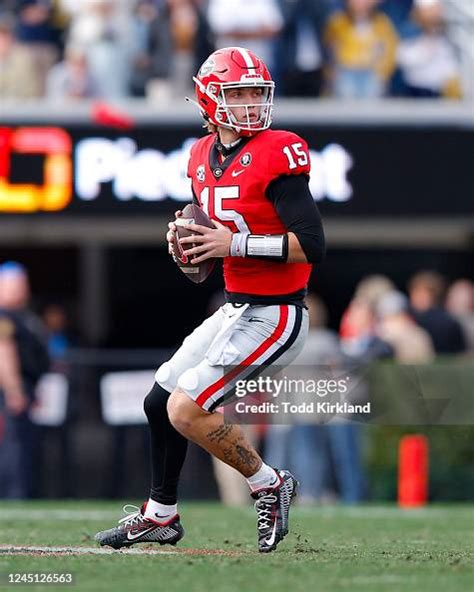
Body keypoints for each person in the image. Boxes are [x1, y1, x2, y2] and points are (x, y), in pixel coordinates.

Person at [95, 46, 325, 553]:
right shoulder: (200, 156)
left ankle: (269, 484)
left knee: (186, 408)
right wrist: (189, 241)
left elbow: (311, 244)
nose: (249, 103)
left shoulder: (279, 149)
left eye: (255, 93)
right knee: (160, 400)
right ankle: (160, 515)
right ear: (209, 98)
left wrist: (230, 244)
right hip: (236, 307)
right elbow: (211, 229)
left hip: (277, 312)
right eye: (237, 92)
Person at [0, 262, 49, 498]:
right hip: (11, 391)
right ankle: (14, 494)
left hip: (25, 387)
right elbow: (4, 353)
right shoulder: (4, 317)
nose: (22, 289)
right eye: (16, 284)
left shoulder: (22, 315)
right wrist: (14, 390)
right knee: (14, 444)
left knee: (24, 443)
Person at [323, 0, 398, 99]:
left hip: (371, 73)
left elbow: (389, 52)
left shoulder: (382, 23)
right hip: (345, 72)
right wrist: (332, 74)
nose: (360, 3)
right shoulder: (337, 22)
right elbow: (328, 51)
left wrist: (382, 74)